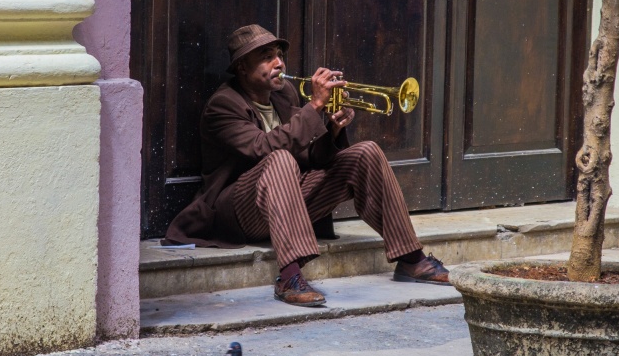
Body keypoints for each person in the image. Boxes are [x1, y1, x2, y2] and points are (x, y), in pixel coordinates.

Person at [163, 24, 451, 307]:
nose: (278, 62)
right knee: (279, 158)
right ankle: (289, 277)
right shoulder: (223, 105)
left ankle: (411, 259)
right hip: (238, 211)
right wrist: (313, 107)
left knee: (367, 151)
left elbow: (309, 157)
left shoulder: (284, 93)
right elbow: (263, 149)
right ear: (241, 67)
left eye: (278, 54)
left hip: (286, 202)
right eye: (266, 57)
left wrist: (333, 130)